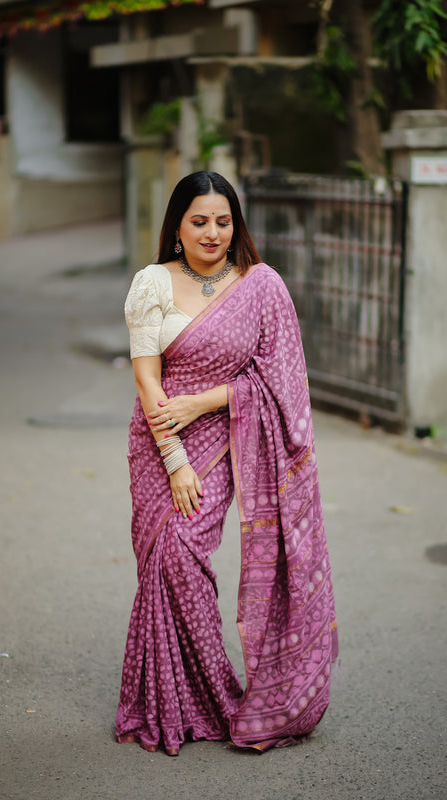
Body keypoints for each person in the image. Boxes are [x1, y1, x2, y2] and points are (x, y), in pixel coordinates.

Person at [115, 171, 338, 756]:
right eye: (199, 221)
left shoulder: (261, 285)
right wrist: (175, 459)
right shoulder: (152, 283)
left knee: (184, 555)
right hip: (160, 444)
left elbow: (280, 380)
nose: (212, 233)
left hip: (227, 439)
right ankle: (175, 699)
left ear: (235, 224)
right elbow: (146, 377)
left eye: (223, 220)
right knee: (165, 560)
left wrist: (209, 400)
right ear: (177, 226)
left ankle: (213, 696)